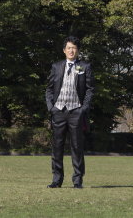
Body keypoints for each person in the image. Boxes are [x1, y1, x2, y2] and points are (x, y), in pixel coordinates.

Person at [45, 36, 94, 189]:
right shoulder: (56, 66)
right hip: (58, 111)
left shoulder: (85, 67)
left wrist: (83, 109)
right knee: (57, 147)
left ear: (78, 50)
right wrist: (51, 108)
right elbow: (49, 89)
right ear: (64, 50)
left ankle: (77, 180)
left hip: (76, 112)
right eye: (69, 47)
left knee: (77, 147)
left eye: (74, 48)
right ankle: (57, 179)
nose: (71, 50)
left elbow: (90, 90)